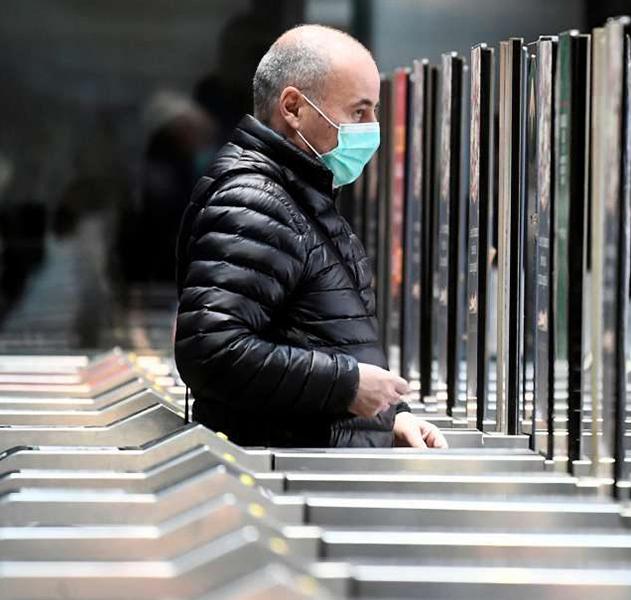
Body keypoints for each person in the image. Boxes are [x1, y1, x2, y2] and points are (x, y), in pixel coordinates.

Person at [174, 25, 446, 448]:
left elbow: (321, 335)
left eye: (374, 110)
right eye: (358, 112)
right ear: (294, 108)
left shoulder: (301, 195)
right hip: (284, 476)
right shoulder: (256, 200)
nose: (372, 127)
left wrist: (389, 413)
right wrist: (347, 385)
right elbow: (212, 351)